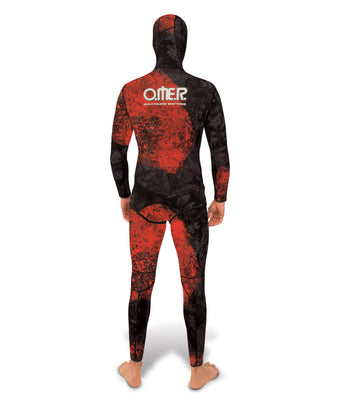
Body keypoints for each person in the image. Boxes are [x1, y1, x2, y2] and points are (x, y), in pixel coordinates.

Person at [110, 14, 230, 389]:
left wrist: (125, 195)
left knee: (140, 283)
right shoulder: (205, 91)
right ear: (184, 45)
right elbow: (220, 153)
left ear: (154, 44)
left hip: (145, 201)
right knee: (193, 285)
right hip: (190, 202)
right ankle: (196, 371)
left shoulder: (132, 91)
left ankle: (134, 367)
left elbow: (116, 153)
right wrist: (221, 198)